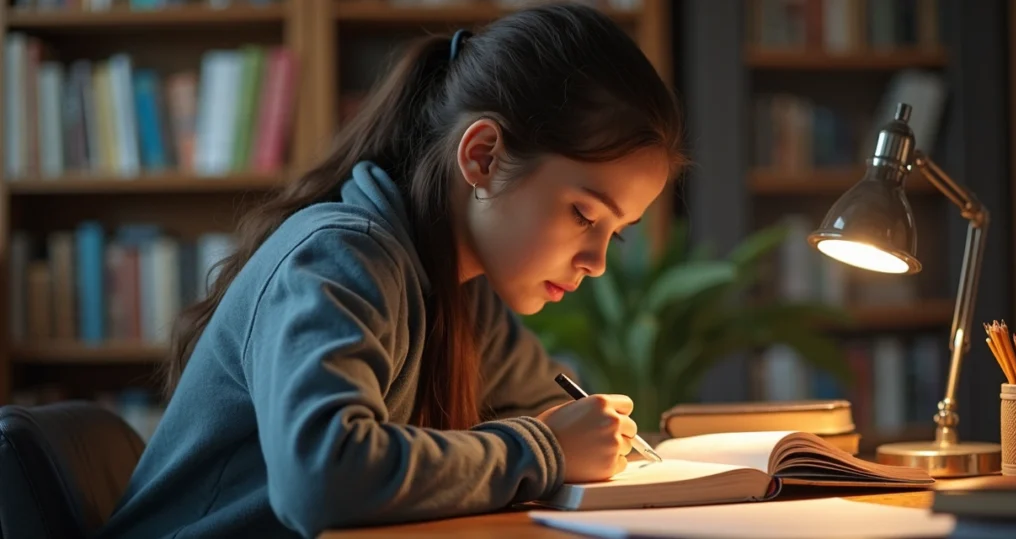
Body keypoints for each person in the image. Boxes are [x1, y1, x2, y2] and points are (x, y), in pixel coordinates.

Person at [96, 3, 685, 538]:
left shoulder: (462, 290)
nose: (598, 262)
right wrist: (547, 448)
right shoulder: (340, 257)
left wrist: (571, 435)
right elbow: (323, 479)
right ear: (483, 157)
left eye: (616, 232)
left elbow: (538, 410)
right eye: (584, 214)